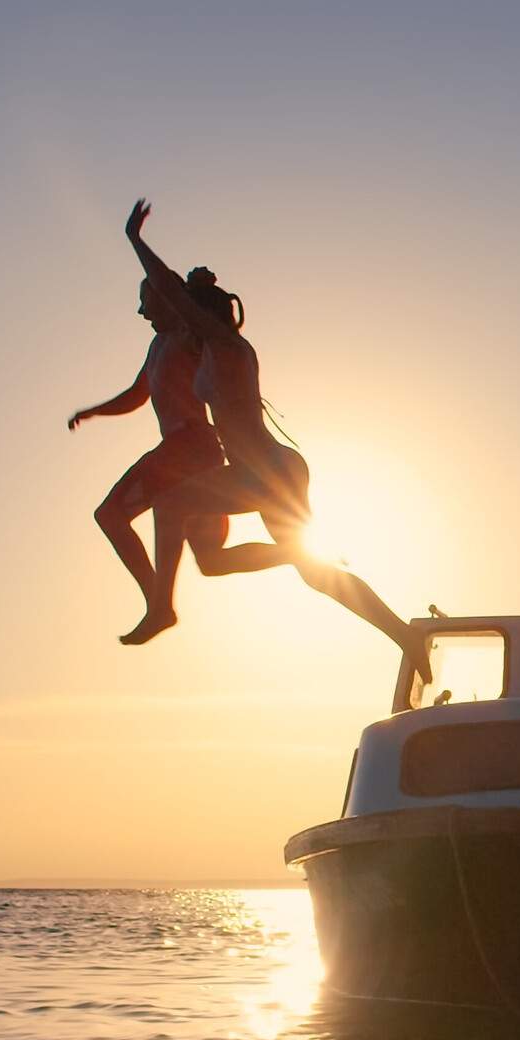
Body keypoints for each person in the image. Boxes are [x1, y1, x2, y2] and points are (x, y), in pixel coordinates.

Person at [116, 200, 430, 683]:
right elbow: (174, 306)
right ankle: (405, 636)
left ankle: (161, 608)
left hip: (264, 469)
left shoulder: (227, 346)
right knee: (229, 565)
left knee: (170, 502)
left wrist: (137, 242)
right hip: (265, 469)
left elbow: (172, 296)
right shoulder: (209, 354)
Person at [67, 280, 229, 613]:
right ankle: (294, 555)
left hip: (190, 447)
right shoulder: (158, 345)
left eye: (146, 302)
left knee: (110, 514)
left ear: (166, 298)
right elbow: (137, 395)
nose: (142, 312)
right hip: (183, 452)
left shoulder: (188, 336)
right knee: (212, 561)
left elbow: (205, 322)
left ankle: (159, 605)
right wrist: (94, 411)